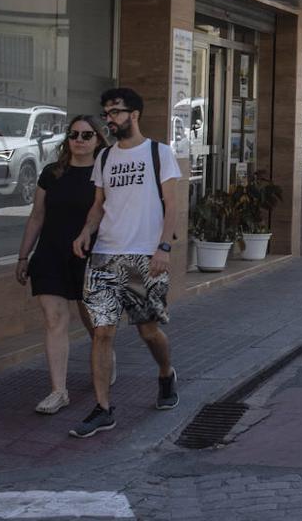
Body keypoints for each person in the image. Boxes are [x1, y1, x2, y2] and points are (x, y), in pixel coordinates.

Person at [69, 88, 181, 439]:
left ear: (134, 114)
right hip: (104, 255)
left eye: (116, 112)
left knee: (148, 330)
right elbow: (99, 204)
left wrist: (162, 248)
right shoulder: (104, 159)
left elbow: (172, 205)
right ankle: (103, 408)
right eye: (107, 113)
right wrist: (86, 232)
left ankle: (166, 373)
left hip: (143, 256)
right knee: (102, 332)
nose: (110, 118)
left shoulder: (158, 153)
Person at [16, 115, 107, 415]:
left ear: (98, 139)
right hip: (51, 254)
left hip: (90, 256)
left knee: (93, 323)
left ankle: (108, 360)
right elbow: (37, 217)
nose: (79, 140)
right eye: (74, 134)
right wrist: (23, 256)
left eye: (86, 135)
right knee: (55, 320)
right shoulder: (51, 173)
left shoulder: (104, 173)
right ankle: (58, 391)